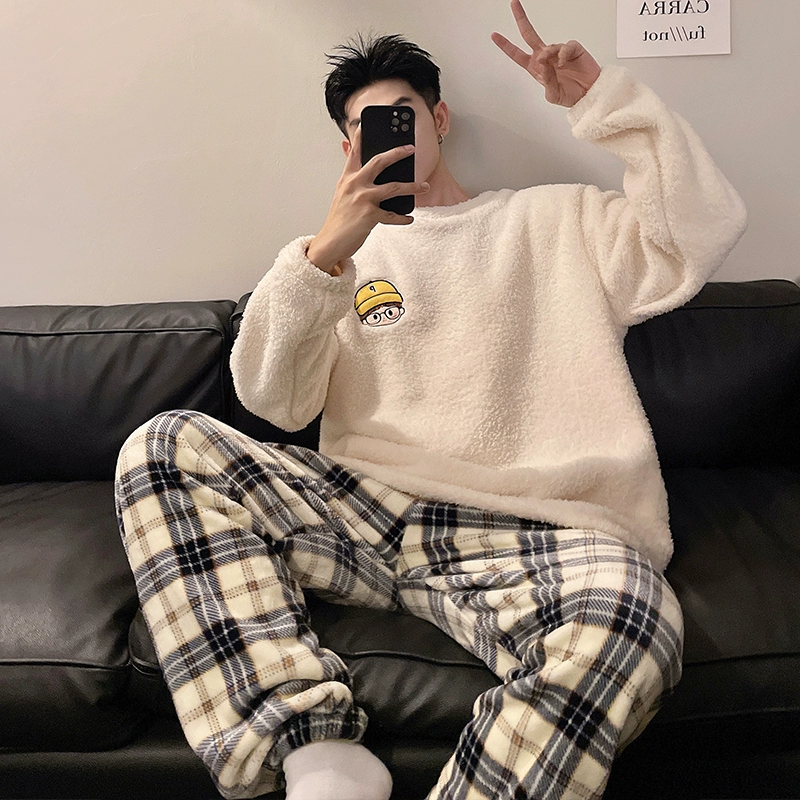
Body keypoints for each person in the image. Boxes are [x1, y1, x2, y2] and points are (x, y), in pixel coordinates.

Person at [114, 2, 747, 798]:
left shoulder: (559, 219)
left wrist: (603, 102)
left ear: (438, 119)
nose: (389, 135)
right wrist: (326, 254)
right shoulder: (333, 261)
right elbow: (275, 403)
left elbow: (696, 232)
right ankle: (318, 758)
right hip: (371, 519)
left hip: (543, 533)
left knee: (636, 619)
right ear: (347, 149)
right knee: (164, 447)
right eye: (366, 127)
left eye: (402, 115)